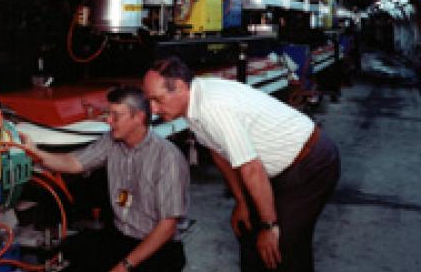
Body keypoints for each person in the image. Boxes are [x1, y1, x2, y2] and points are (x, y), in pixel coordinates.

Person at [143, 56, 340, 272]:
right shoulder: (192, 103)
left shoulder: (213, 107)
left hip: (310, 164)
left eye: (157, 100)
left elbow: (251, 169)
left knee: (281, 248)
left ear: (179, 87)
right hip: (275, 170)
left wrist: (269, 226)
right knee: (249, 235)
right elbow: (219, 152)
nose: (153, 109)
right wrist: (242, 201)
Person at [22, 86, 189, 272]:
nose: (109, 121)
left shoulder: (167, 158)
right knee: (70, 252)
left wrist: (123, 266)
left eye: (116, 116)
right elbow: (74, 163)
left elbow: (167, 226)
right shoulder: (112, 141)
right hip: (121, 236)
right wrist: (35, 153)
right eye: (108, 115)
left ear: (139, 117)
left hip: (158, 246)